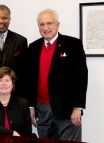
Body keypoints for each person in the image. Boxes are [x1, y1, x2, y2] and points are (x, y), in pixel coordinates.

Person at [27, 9, 88, 141]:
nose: (45, 27)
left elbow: (81, 77)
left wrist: (78, 107)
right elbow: (30, 79)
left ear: (57, 24)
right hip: (42, 109)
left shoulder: (73, 44)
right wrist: (31, 106)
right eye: (41, 24)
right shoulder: (33, 47)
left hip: (67, 110)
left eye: (49, 23)